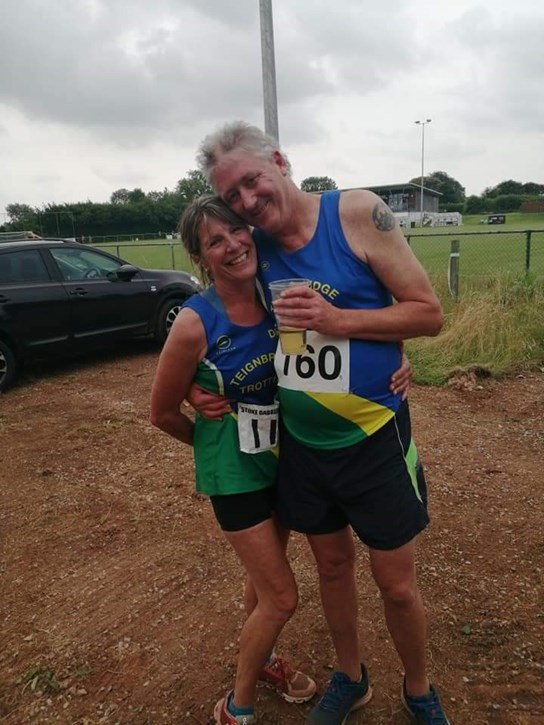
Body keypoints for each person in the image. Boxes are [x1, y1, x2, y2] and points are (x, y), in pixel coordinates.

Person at [191, 121, 450, 725]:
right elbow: (222, 324)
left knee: (397, 583)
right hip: (303, 447)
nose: (248, 203)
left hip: (374, 438)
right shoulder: (253, 249)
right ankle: (351, 676)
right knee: (332, 569)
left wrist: (346, 324)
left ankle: (418, 688)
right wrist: (196, 394)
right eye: (233, 197)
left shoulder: (357, 213)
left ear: (279, 161)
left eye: (253, 182)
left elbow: (428, 314)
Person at [150, 196, 317, 724]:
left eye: (235, 231)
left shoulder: (275, 297)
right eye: (214, 241)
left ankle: (263, 659)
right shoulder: (195, 323)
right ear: (201, 259)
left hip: (280, 460)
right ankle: (235, 706)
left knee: (262, 585)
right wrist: (209, 438)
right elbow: (161, 412)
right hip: (236, 474)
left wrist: (398, 360)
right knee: (283, 597)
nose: (232, 245)